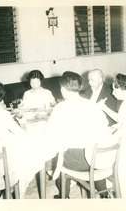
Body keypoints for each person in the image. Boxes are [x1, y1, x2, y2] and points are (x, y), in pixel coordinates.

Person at [44, 71, 112, 199]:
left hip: (76, 161)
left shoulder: (60, 108)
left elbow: (49, 133)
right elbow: (105, 124)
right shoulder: (92, 104)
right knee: (90, 150)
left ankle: (64, 196)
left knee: (54, 155)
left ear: (63, 90)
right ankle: (103, 193)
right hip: (97, 157)